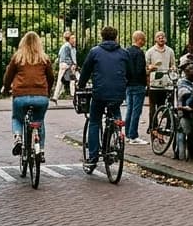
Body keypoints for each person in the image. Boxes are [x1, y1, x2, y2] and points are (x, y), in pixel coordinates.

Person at [77, 26, 135, 170]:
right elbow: (131, 73)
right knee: (115, 112)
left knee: (95, 121)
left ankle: (93, 157)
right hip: (117, 93)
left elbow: (85, 71)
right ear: (116, 37)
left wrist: (81, 85)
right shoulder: (124, 53)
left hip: (100, 93)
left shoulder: (95, 52)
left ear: (101, 37)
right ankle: (117, 136)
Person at [2, 31, 55, 159]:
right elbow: (51, 77)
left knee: (17, 118)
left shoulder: (18, 57)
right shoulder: (44, 58)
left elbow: (8, 76)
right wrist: (47, 91)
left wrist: (5, 88)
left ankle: (18, 138)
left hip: (21, 95)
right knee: (39, 121)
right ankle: (41, 151)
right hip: (41, 97)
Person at [124, 31, 150, 145]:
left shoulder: (127, 51)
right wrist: (148, 70)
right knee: (136, 111)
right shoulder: (139, 53)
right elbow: (139, 70)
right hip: (138, 84)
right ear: (139, 40)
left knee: (129, 109)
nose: (144, 42)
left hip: (128, 84)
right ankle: (133, 135)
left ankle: (127, 133)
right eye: (143, 40)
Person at [55, 31, 77, 103]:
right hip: (67, 65)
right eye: (72, 38)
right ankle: (73, 95)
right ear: (69, 38)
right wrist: (72, 64)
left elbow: (59, 56)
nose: (74, 39)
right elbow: (68, 57)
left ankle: (56, 96)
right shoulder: (68, 46)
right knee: (71, 80)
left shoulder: (67, 46)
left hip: (65, 65)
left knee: (62, 81)